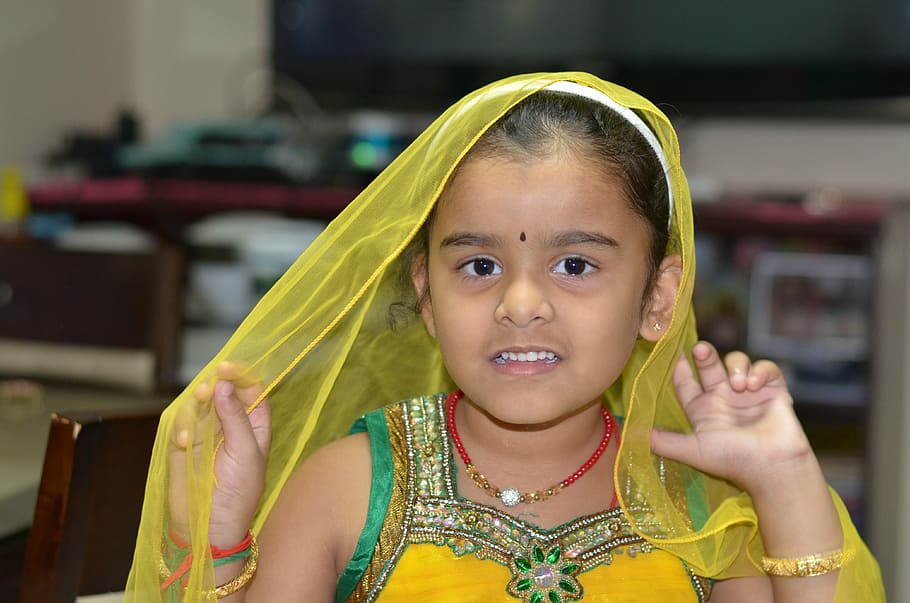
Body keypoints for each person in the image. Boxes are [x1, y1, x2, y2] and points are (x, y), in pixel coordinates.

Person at [126, 72, 883, 602]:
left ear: (659, 297)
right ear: (426, 294)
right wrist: (220, 544)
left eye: (575, 263)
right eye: (481, 264)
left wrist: (784, 481)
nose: (521, 303)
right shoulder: (347, 489)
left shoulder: (699, 509)